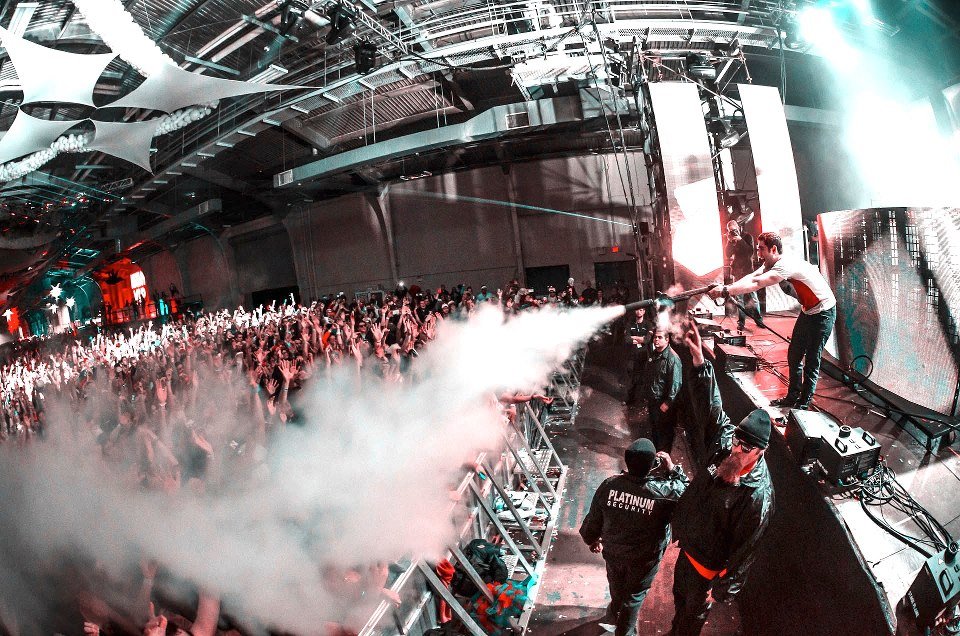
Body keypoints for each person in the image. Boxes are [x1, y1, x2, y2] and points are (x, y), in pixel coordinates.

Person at [669, 323, 775, 636]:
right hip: (687, 550)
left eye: (745, 447)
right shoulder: (726, 445)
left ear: (760, 452)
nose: (736, 449)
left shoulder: (757, 496)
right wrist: (699, 361)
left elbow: (746, 550)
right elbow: (713, 407)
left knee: (690, 620)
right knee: (678, 601)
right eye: (736, 441)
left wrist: (723, 589)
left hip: (706, 571)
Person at [710, 231, 836, 410]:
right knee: (794, 355)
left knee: (811, 360)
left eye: (761, 249)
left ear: (774, 249)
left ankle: (803, 404)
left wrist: (725, 291)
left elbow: (757, 284)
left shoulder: (784, 265)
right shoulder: (772, 263)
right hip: (808, 311)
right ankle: (792, 397)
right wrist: (726, 287)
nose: (758, 253)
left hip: (823, 312)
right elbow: (752, 277)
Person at [579, 438, 688, 636]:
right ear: (652, 465)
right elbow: (688, 492)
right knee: (635, 595)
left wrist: (592, 539)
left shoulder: (609, 485)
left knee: (616, 584)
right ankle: (624, 632)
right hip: (645, 558)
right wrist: (672, 469)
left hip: (614, 552)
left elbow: (593, 520)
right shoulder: (663, 493)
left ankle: (615, 612)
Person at [633, 326, 682, 452]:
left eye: (660, 337)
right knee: (655, 429)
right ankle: (656, 454)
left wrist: (667, 403)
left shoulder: (673, 359)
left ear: (667, 340)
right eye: (655, 337)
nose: (656, 340)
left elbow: (676, 384)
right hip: (653, 401)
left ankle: (663, 456)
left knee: (664, 433)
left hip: (663, 404)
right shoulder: (655, 354)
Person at [723, 221, 764, 331]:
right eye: (730, 230)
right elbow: (727, 254)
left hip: (747, 270)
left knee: (753, 296)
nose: (733, 232)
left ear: (738, 227)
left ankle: (758, 320)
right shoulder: (731, 239)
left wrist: (740, 240)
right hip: (737, 271)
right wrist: (729, 241)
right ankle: (741, 322)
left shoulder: (747, 236)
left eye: (734, 229)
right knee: (739, 298)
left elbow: (750, 252)